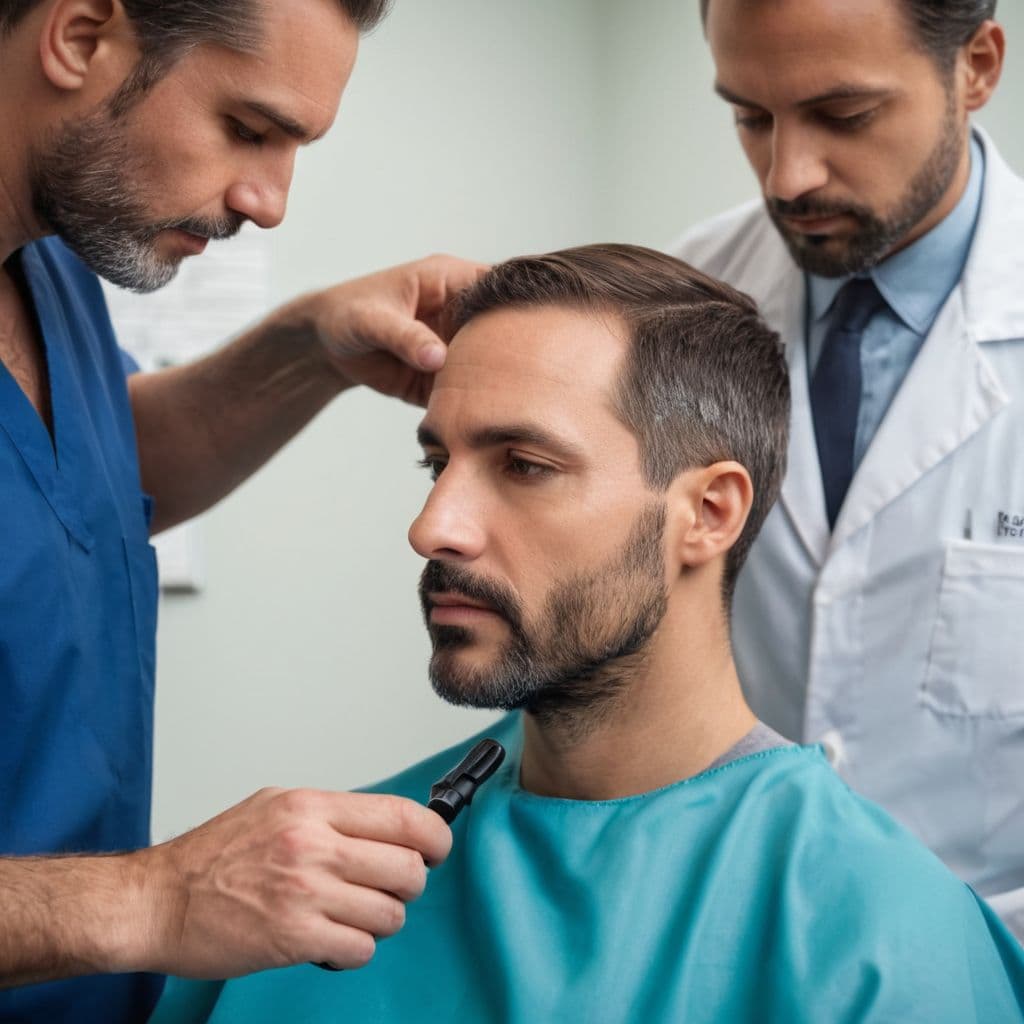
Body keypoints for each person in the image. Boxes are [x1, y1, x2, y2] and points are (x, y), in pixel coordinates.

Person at [154, 245, 1024, 1024]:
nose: (434, 527)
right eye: (436, 463)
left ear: (708, 515)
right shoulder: (315, 876)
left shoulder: (882, 936)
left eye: (525, 467)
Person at [0, 1, 482, 1020]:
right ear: (81, 36)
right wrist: (152, 896)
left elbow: (79, 492)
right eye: (250, 128)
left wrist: (306, 350)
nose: (268, 202)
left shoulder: (49, 264)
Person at [669, 0, 1024, 939]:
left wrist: (962, 961)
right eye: (750, 115)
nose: (789, 175)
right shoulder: (689, 296)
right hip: (730, 944)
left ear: (977, 66)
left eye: (845, 115)